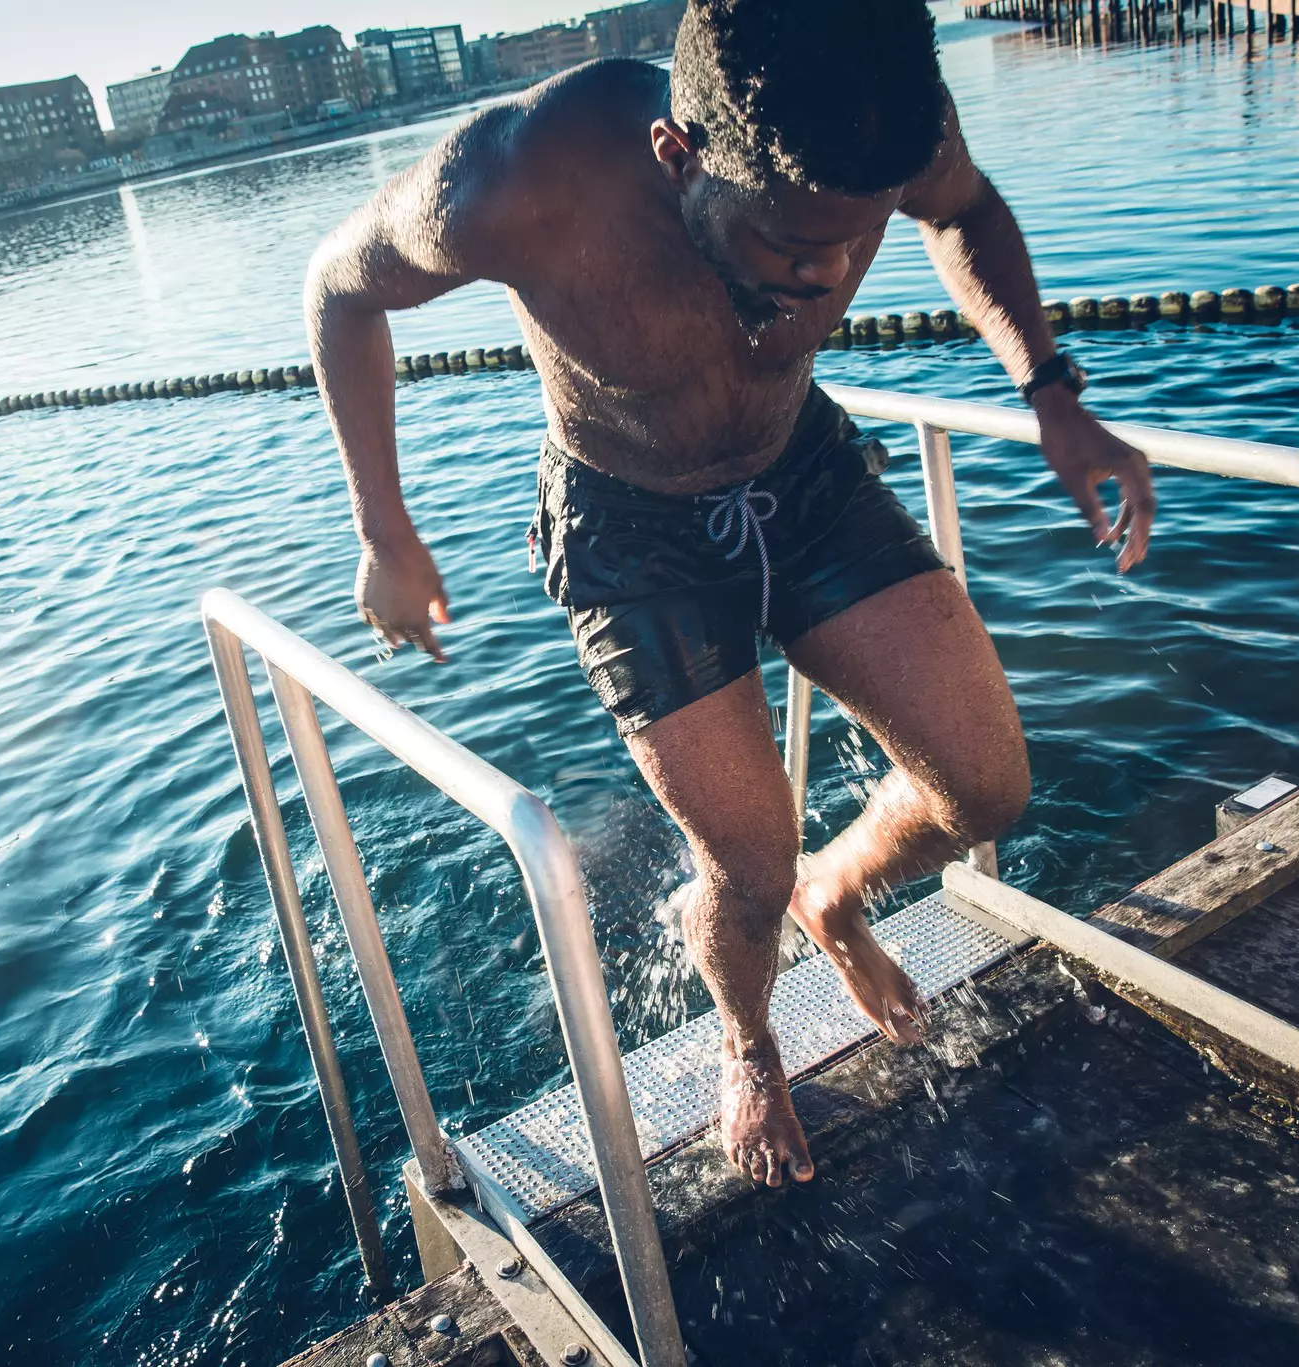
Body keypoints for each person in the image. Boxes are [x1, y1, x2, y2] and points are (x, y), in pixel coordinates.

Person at [303, 0, 1157, 1188]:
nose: (819, 281)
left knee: (985, 786)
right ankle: (749, 1043)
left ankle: (839, 893)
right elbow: (338, 288)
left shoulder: (881, 123)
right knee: (743, 865)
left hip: (800, 469)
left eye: (849, 246)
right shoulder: (516, 178)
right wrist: (384, 531)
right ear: (678, 155)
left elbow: (964, 209)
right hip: (628, 526)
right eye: (785, 246)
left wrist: (1053, 395)